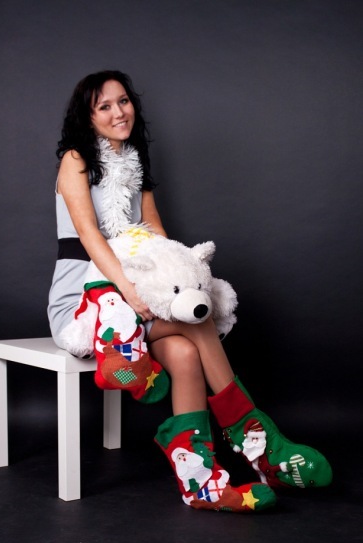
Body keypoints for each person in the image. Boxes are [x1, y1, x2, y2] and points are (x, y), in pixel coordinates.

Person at [48, 70, 332, 513]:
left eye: (123, 101)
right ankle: (261, 445)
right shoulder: (75, 159)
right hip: (87, 299)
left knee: (183, 353)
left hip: (135, 289)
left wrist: (172, 279)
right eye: (104, 106)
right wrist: (130, 290)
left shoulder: (135, 162)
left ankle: (199, 483)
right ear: (87, 118)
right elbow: (89, 235)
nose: (119, 112)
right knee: (198, 325)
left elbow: (155, 234)